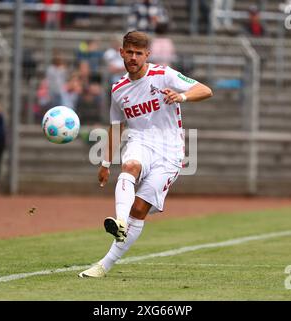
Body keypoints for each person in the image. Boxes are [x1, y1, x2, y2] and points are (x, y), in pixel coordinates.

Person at [79, 31, 212, 278]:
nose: (133, 57)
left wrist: (181, 96)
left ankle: (104, 264)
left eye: (138, 53)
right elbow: (117, 127)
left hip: (170, 151)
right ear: (121, 53)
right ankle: (119, 222)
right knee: (129, 166)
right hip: (140, 141)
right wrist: (106, 162)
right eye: (129, 52)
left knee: (139, 210)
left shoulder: (164, 75)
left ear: (147, 55)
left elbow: (205, 90)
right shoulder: (118, 90)